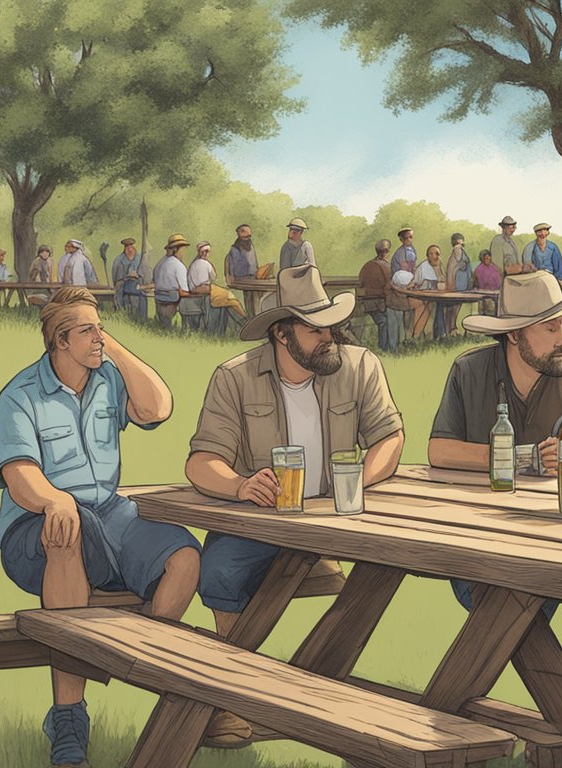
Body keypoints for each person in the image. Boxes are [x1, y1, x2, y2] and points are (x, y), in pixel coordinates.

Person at [187, 265, 403, 745]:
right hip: (264, 523)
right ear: (282, 334)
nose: (328, 336)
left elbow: (390, 437)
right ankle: (230, 698)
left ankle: (333, 710)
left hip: (340, 523)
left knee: (389, 568)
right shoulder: (235, 377)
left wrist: (359, 482)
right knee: (219, 567)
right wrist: (241, 485)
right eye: (314, 327)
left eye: (329, 325)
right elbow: (201, 463)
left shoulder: (360, 365)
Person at [0, 288, 200, 768]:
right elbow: (19, 476)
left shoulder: (109, 377)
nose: (98, 336)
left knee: (184, 557)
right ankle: (68, 717)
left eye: (99, 326)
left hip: (110, 515)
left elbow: (158, 408)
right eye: (87, 330)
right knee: (67, 533)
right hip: (36, 525)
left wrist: (113, 347)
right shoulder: (20, 395)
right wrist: (53, 500)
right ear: (59, 342)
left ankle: (140, 662)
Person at [428, 271, 562, 608]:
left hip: (556, 540)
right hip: (478, 540)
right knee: (503, 606)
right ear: (515, 335)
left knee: (514, 612)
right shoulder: (469, 371)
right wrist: (525, 458)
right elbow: (440, 450)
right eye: (551, 328)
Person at [152, 234, 194, 328]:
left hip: (159, 300)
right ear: (177, 249)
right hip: (172, 302)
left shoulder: (159, 264)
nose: (184, 252)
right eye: (183, 249)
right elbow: (184, 292)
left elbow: (155, 281)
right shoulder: (178, 266)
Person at [358, 239, 393, 350]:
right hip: (380, 303)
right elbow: (390, 287)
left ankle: (387, 347)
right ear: (387, 251)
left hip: (368, 303)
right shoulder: (387, 267)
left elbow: (361, 284)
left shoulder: (367, 266)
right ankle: (385, 348)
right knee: (386, 321)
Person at [182, 241, 218, 332]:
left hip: (199, 291)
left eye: (207, 252)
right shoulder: (201, 264)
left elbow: (213, 276)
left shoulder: (203, 263)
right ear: (199, 252)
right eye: (203, 251)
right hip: (197, 293)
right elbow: (202, 286)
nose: (205, 254)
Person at [111, 238, 148, 321]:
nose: (129, 249)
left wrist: (137, 275)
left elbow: (145, 274)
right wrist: (125, 278)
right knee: (125, 310)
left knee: (139, 309)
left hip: (138, 289)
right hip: (123, 290)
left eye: (131, 246)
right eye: (127, 247)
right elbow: (115, 277)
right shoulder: (118, 260)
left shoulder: (140, 259)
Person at [413, 244, 443, 339]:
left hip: (435, 298)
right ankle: (419, 337)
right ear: (427, 256)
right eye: (431, 254)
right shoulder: (423, 267)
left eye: (437, 254)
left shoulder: (440, 266)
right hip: (422, 299)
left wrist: (438, 271)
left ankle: (437, 337)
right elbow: (414, 283)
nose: (434, 256)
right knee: (424, 315)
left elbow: (443, 283)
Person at [445, 232, 472, 335]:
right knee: (453, 307)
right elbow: (451, 270)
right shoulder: (455, 253)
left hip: (462, 284)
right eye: (458, 243)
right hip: (456, 285)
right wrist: (451, 285)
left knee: (457, 306)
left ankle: (453, 327)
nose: (460, 246)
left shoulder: (461, 252)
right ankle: (451, 328)